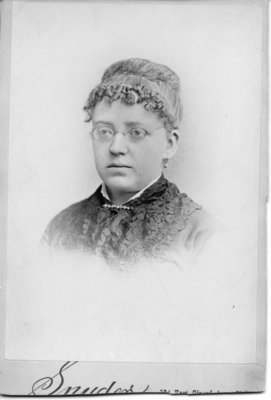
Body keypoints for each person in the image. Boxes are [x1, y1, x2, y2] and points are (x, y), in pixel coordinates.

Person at [42, 58, 211, 266]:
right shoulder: (59, 228)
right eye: (104, 132)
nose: (116, 147)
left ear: (169, 143)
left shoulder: (201, 234)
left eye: (136, 133)